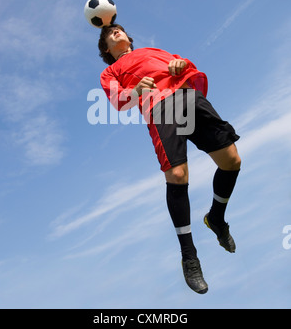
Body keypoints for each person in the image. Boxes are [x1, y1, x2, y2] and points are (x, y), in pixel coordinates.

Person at [98, 24, 241, 295]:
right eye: (109, 33)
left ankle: (217, 219)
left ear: (129, 38)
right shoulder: (109, 72)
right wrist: (136, 90)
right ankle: (189, 255)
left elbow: (185, 65)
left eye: (119, 30)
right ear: (106, 48)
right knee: (176, 175)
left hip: (187, 96)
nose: (116, 32)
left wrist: (180, 63)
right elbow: (118, 100)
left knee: (232, 160)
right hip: (158, 106)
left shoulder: (154, 50)